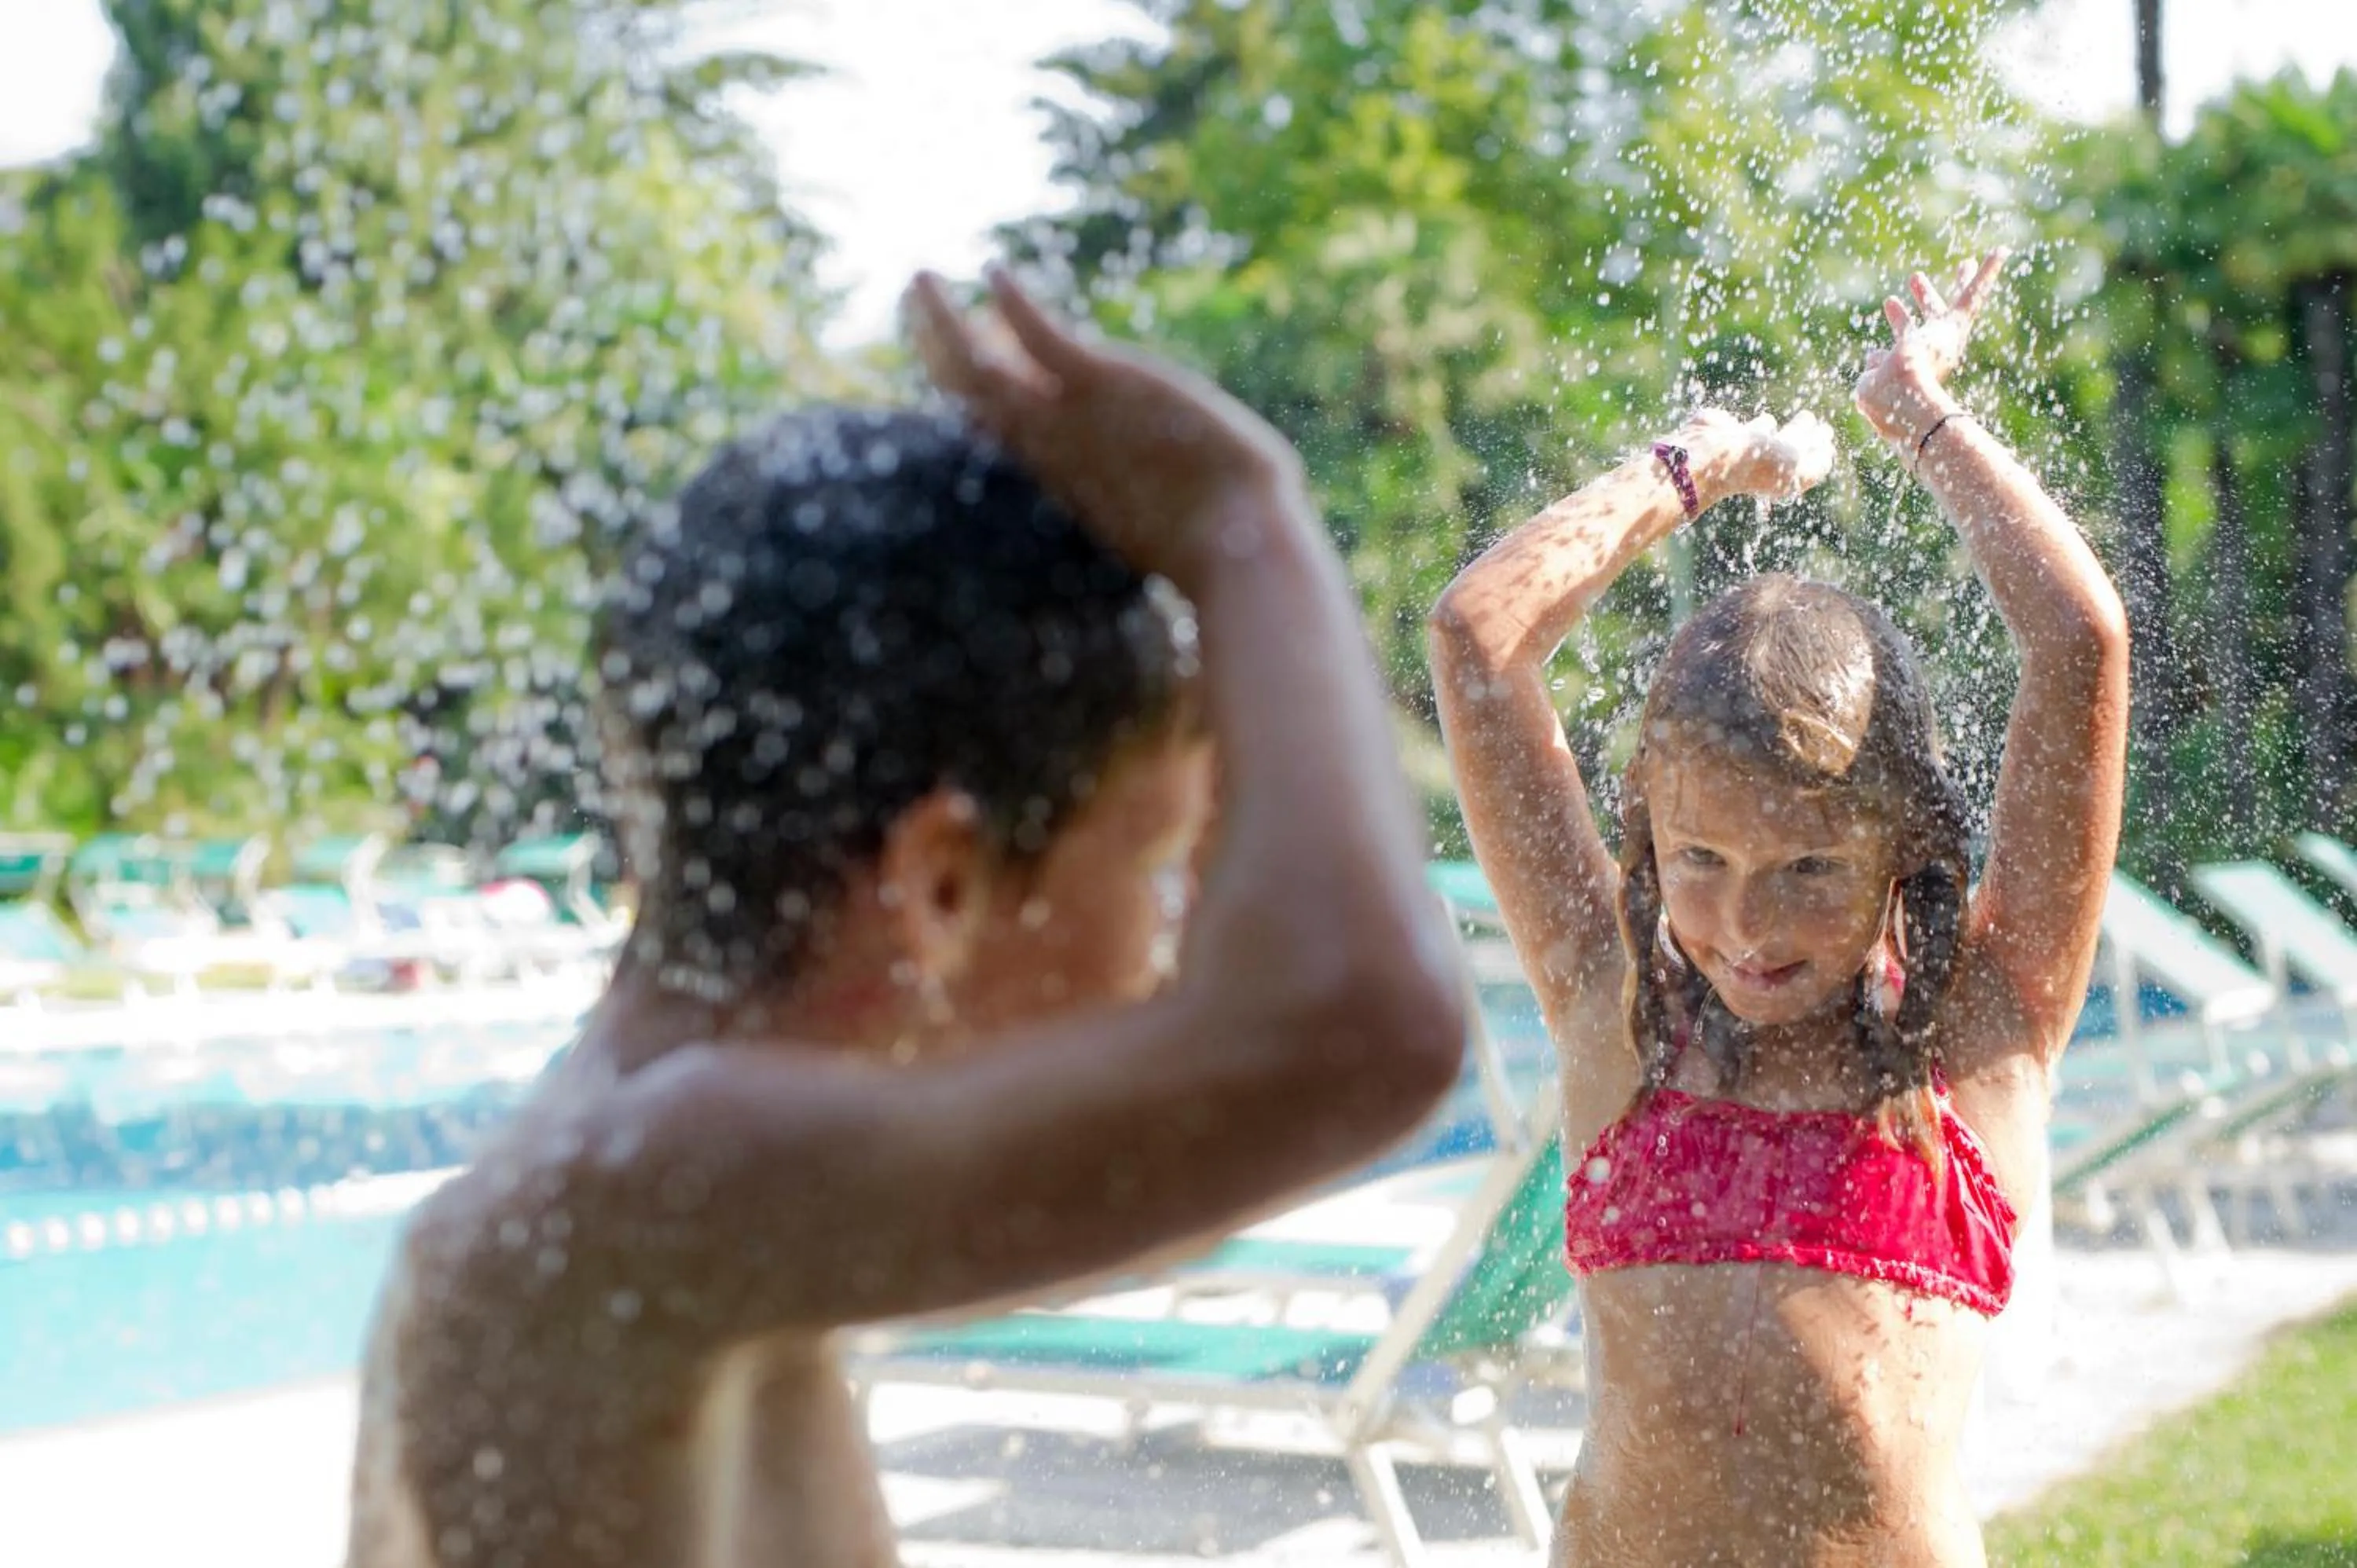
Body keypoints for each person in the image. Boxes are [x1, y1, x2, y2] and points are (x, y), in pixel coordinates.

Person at [346, 269, 1467, 1568]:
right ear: (940, 881)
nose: (1172, 953)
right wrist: (1244, 518)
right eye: (1156, 867)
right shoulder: (661, 1187)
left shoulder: (635, 1201)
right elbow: (1356, 1027)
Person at [1428, 251, 2128, 1566]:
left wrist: (1917, 412)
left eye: (1808, 871)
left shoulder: (1980, 1043)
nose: (1746, 926)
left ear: (1900, 853)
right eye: (1700, 859)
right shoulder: (1617, 1007)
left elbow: (2080, 644)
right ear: (1647, 835)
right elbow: (1478, 640)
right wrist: (1693, 463)